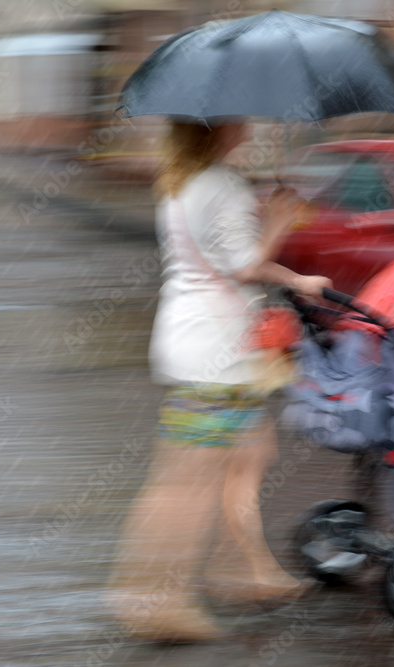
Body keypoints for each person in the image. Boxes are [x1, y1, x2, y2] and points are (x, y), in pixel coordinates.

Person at [107, 120, 332, 643]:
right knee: (186, 482)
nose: (252, 125)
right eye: (241, 117)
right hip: (216, 356)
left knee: (250, 454)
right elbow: (244, 264)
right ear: (222, 124)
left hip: (197, 340)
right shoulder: (221, 184)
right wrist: (280, 227)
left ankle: (244, 570)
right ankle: (153, 597)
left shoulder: (184, 180)